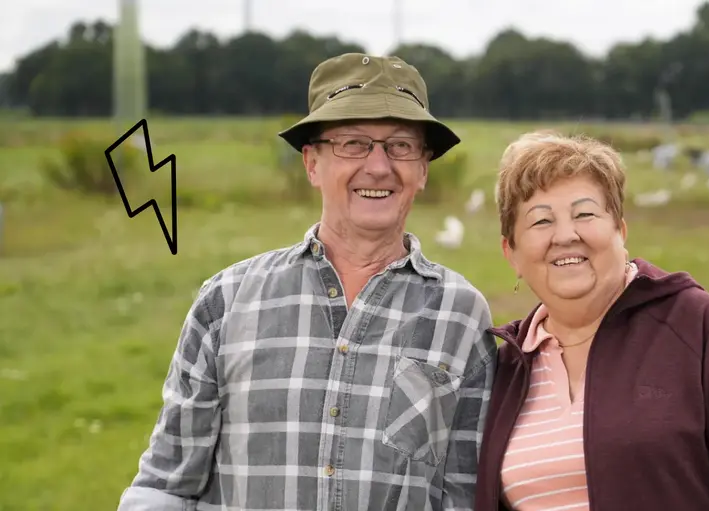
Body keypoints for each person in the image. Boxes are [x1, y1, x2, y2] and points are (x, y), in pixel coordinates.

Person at [118, 53, 497, 511]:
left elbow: (465, 495)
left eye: (401, 146)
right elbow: (164, 486)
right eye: (353, 144)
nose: (378, 167)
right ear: (312, 163)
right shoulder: (227, 300)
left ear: (422, 170)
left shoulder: (461, 314)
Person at [473, 131, 709, 510]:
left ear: (620, 232)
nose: (566, 235)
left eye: (585, 214)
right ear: (510, 252)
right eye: (541, 221)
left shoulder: (697, 326)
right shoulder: (506, 368)